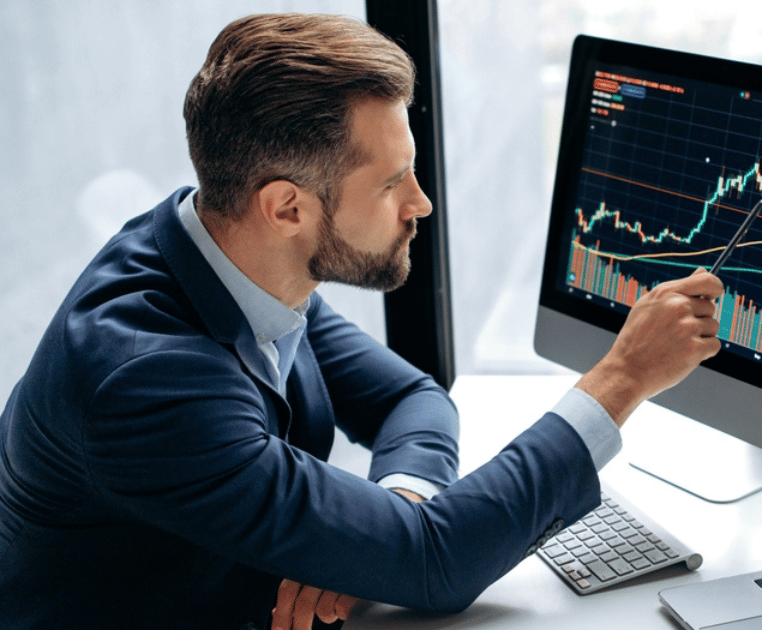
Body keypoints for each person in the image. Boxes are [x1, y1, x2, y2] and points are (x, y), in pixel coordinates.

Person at [0, 12, 723, 630]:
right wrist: (624, 378)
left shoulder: (224, 253)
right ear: (286, 207)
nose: (421, 203)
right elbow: (436, 562)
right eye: (389, 183)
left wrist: (383, 517)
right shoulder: (147, 381)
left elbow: (411, 399)